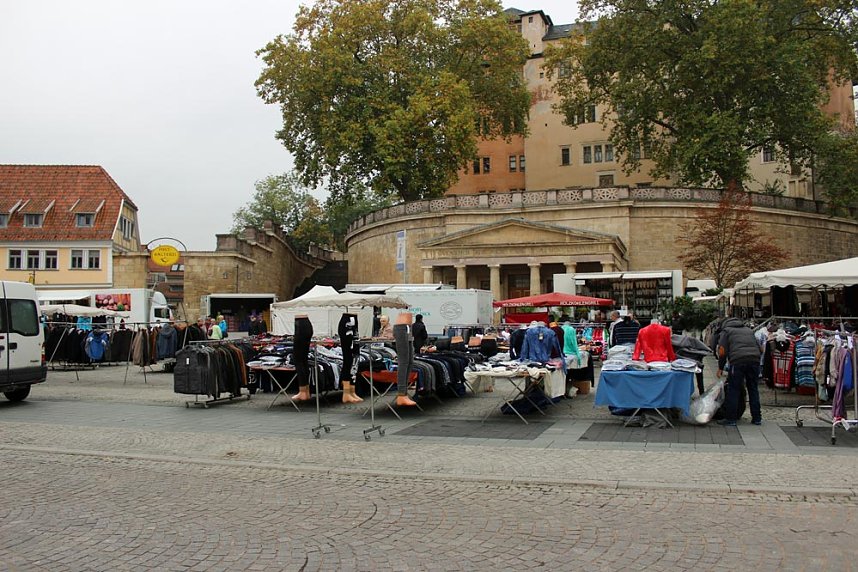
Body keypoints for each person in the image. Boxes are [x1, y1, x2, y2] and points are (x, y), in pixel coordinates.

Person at [716, 317, 763, 426]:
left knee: (734, 389)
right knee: (753, 389)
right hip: (754, 361)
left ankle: (730, 419)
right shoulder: (749, 330)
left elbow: (722, 351)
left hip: (737, 362)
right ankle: (757, 418)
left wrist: (720, 368)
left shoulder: (726, 331)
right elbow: (761, 349)